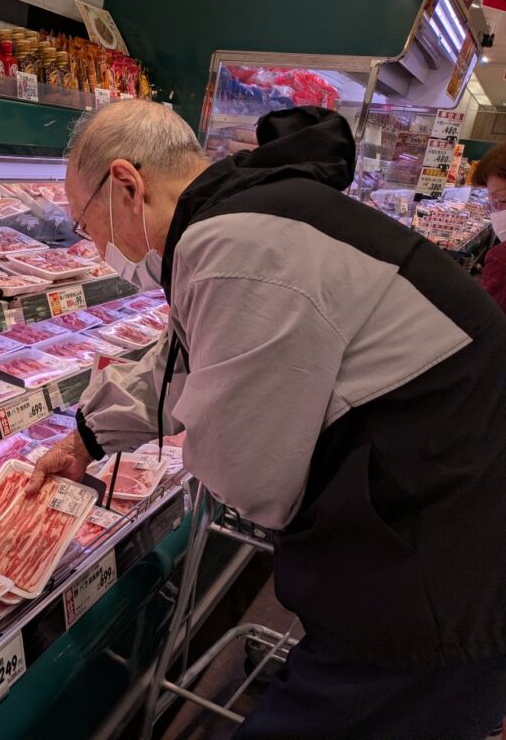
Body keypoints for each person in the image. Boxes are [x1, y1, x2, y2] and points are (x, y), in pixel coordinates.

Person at [27, 100, 506, 739]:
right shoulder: (239, 215)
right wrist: (87, 438)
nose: (96, 248)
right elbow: (182, 358)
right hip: (436, 517)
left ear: (126, 186)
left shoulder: (234, 243)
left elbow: (250, 474)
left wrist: (200, 435)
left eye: (87, 224)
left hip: (442, 565)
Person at [469, 143, 506, 313]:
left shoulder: (501, 259)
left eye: (503, 201)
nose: (497, 212)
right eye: (492, 202)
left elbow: (485, 321)